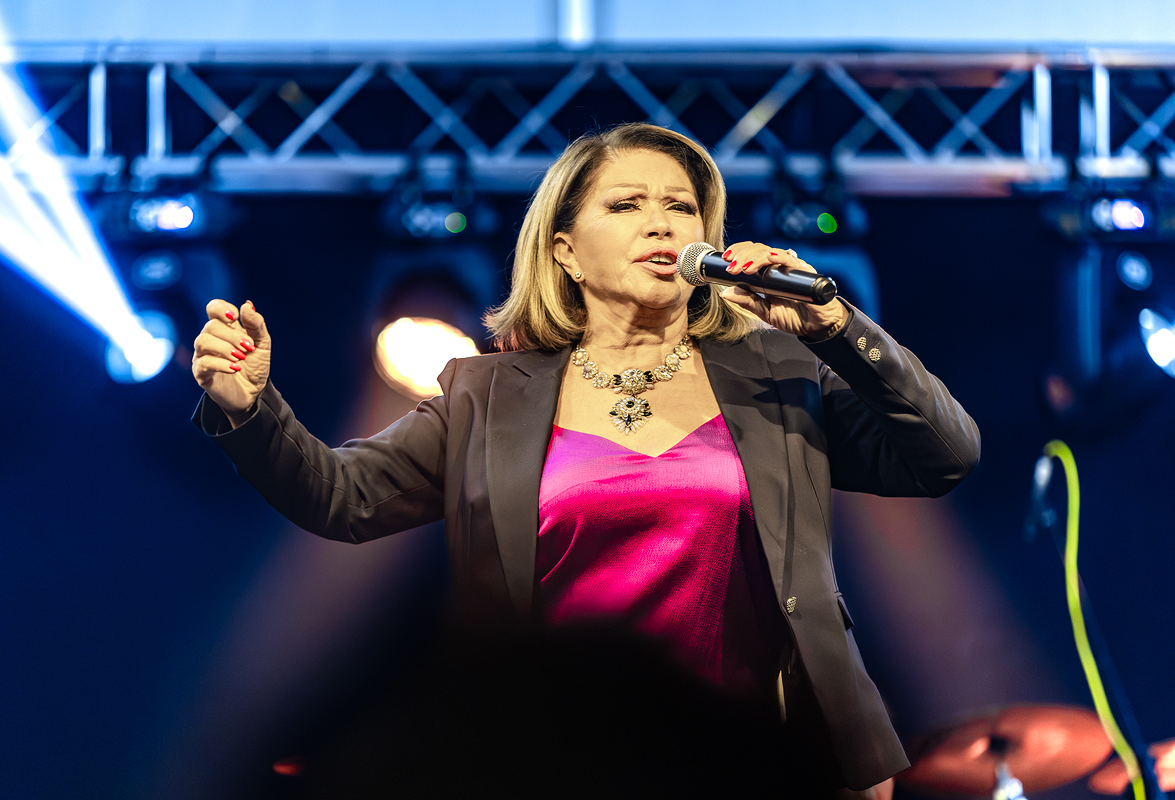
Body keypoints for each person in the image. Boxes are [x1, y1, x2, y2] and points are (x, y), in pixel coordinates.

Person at [192, 123, 979, 796]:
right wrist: (250, 410)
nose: (661, 224)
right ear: (565, 250)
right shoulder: (488, 397)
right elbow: (342, 496)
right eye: (627, 205)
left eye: (681, 207)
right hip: (553, 760)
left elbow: (945, 453)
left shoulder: (776, 375)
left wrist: (837, 325)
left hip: (754, 756)